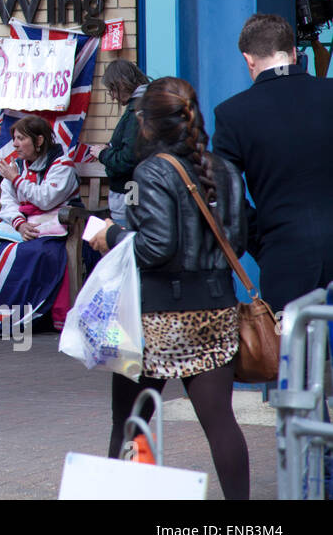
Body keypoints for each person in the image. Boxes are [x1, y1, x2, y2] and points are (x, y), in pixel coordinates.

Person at [93, 77, 250, 500]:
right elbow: (239, 236)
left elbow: (155, 247)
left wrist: (111, 236)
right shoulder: (227, 170)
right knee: (221, 423)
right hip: (216, 308)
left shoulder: (150, 172)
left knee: (130, 420)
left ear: (147, 124)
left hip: (157, 316)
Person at [213, 13, 333, 312]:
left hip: (284, 255)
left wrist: (261, 241)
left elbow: (224, 194)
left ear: (248, 60)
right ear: (293, 53)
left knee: (296, 355)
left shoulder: (232, 115)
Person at [0, 115, 78, 328]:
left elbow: (46, 199)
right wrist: (19, 223)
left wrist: (16, 179)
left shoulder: (62, 165)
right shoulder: (17, 166)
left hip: (59, 228)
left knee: (31, 253)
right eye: (14, 138)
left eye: (21, 138)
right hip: (24, 226)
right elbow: (7, 200)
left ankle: (26, 316)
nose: (15, 144)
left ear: (39, 141)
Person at [92, 60, 149, 226]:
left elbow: (128, 159)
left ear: (122, 84)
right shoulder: (147, 103)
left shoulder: (137, 111)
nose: (112, 95)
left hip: (131, 193)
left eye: (112, 89)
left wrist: (102, 153)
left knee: (126, 243)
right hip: (138, 192)